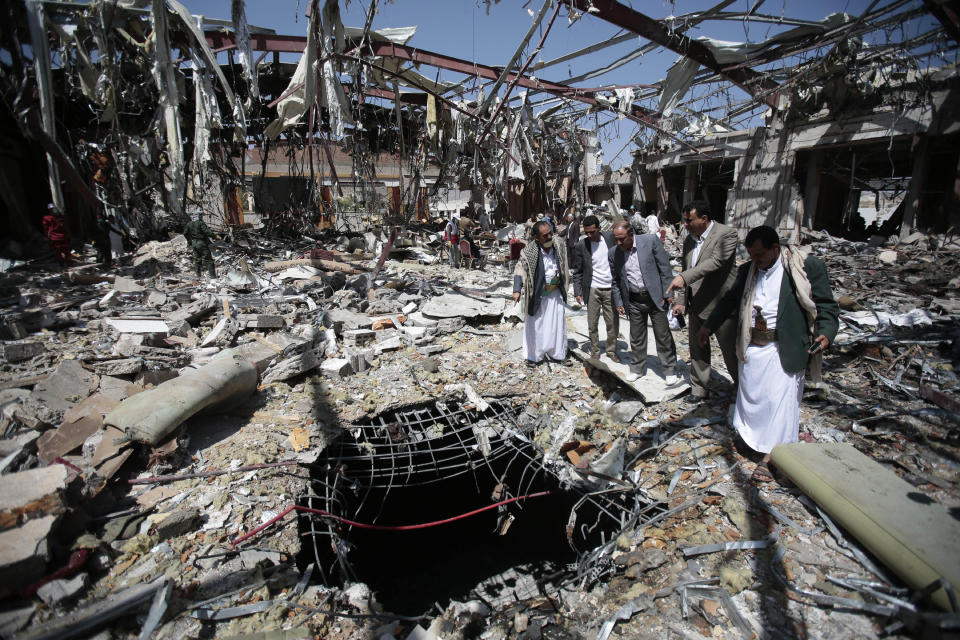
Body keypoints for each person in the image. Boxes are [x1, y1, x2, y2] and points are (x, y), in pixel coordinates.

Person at [698, 225, 839, 481]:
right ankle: (753, 441)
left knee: (780, 405)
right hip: (753, 346)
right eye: (752, 255)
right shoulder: (748, 271)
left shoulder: (804, 267)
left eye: (760, 255)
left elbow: (826, 304)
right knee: (751, 400)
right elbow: (730, 300)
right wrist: (709, 326)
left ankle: (772, 459)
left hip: (783, 347)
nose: (756, 261)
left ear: (776, 249)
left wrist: (827, 333)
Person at [665, 200, 739, 404]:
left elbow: (716, 261)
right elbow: (684, 267)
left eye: (689, 221)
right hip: (697, 304)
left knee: (730, 352)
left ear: (704, 219)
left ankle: (742, 387)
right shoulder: (689, 240)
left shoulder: (727, 234)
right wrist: (681, 301)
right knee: (698, 350)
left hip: (722, 306)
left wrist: (685, 277)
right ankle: (699, 389)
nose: (685, 225)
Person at [609, 221, 679, 383]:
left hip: (656, 298)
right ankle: (637, 368)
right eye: (616, 239)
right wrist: (619, 301)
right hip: (633, 300)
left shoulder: (650, 241)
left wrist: (668, 293)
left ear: (631, 234)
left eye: (622, 239)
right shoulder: (614, 253)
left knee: (663, 335)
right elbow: (615, 280)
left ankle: (669, 369)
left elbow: (664, 267)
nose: (619, 243)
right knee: (636, 337)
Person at [513, 220, 570, 367]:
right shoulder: (529, 251)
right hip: (538, 293)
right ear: (537, 238)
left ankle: (558, 354)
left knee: (556, 325)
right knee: (536, 325)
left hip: (555, 292)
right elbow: (520, 269)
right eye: (545, 235)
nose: (550, 237)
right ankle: (534, 356)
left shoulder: (558, 245)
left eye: (550, 233)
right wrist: (517, 290)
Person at [572, 215, 620, 361]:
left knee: (612, 322)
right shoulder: (582, 245)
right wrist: (578, 291)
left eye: (592, 232)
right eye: (586, 232)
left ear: (599, 228)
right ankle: (595, 350)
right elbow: (578, 270)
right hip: (592, 288)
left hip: (610, 288)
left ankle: (611, 351)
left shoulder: (611, 238)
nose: (589, 235)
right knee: (592, 322)